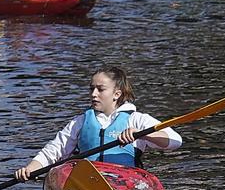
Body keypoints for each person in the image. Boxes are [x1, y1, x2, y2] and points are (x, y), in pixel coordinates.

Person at [15, 66, 183, 181]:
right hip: (88, 186)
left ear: (117, 94)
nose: (93, 94)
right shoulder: (80, 122)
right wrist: (30, 169)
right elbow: (53, 152)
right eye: (91, 89)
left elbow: (175, 142)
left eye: (100, 89)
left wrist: (143, 133)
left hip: (124, 186)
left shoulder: (137, 119)